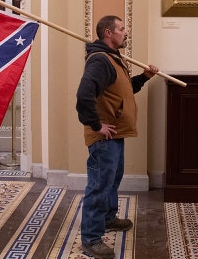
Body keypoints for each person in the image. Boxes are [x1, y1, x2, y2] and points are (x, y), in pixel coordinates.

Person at [76, 15, 159, 259]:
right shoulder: (100, 60)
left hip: (116, 133)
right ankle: (91, 238)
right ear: (108, 33)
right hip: (104, 137)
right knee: (99, 185)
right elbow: (84, 95)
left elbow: (123, 91)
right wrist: (95, 124)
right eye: (122, 29)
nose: (126, 32)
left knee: (112, 180)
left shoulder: (114, 59)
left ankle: (108, 219)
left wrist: (144, 77)